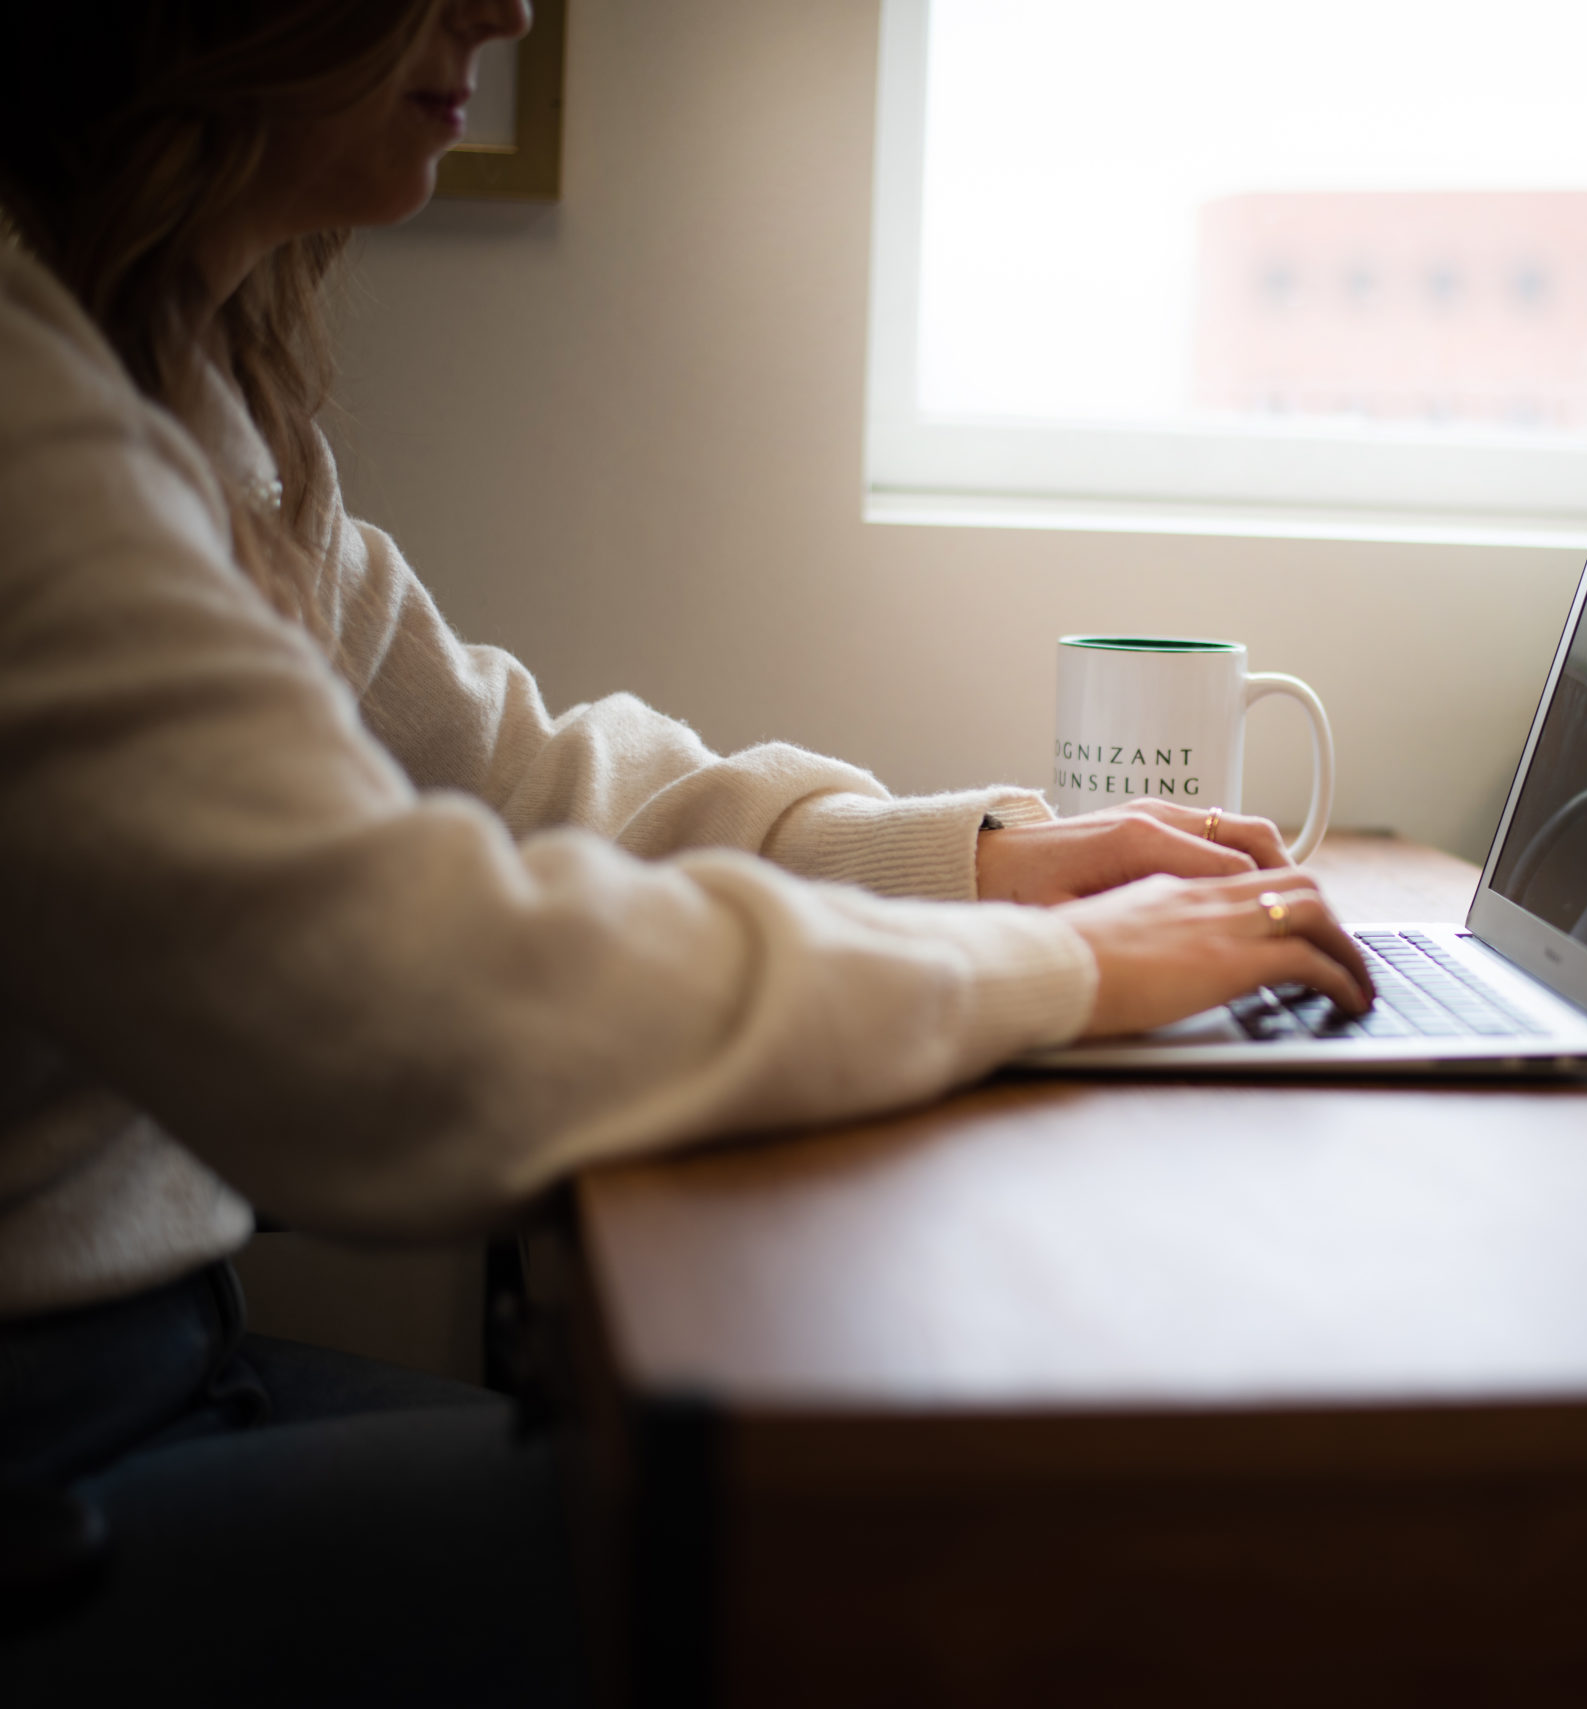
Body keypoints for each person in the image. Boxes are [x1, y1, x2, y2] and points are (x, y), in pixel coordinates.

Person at [0, 1, 1370, 1700]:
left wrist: (979, 862)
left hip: (149, 1371)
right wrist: (1062, 971)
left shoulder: (175, 388)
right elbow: (411, 1013)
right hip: (53, 1452)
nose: (504, 8)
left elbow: (508, 774)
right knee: (914, 1555)